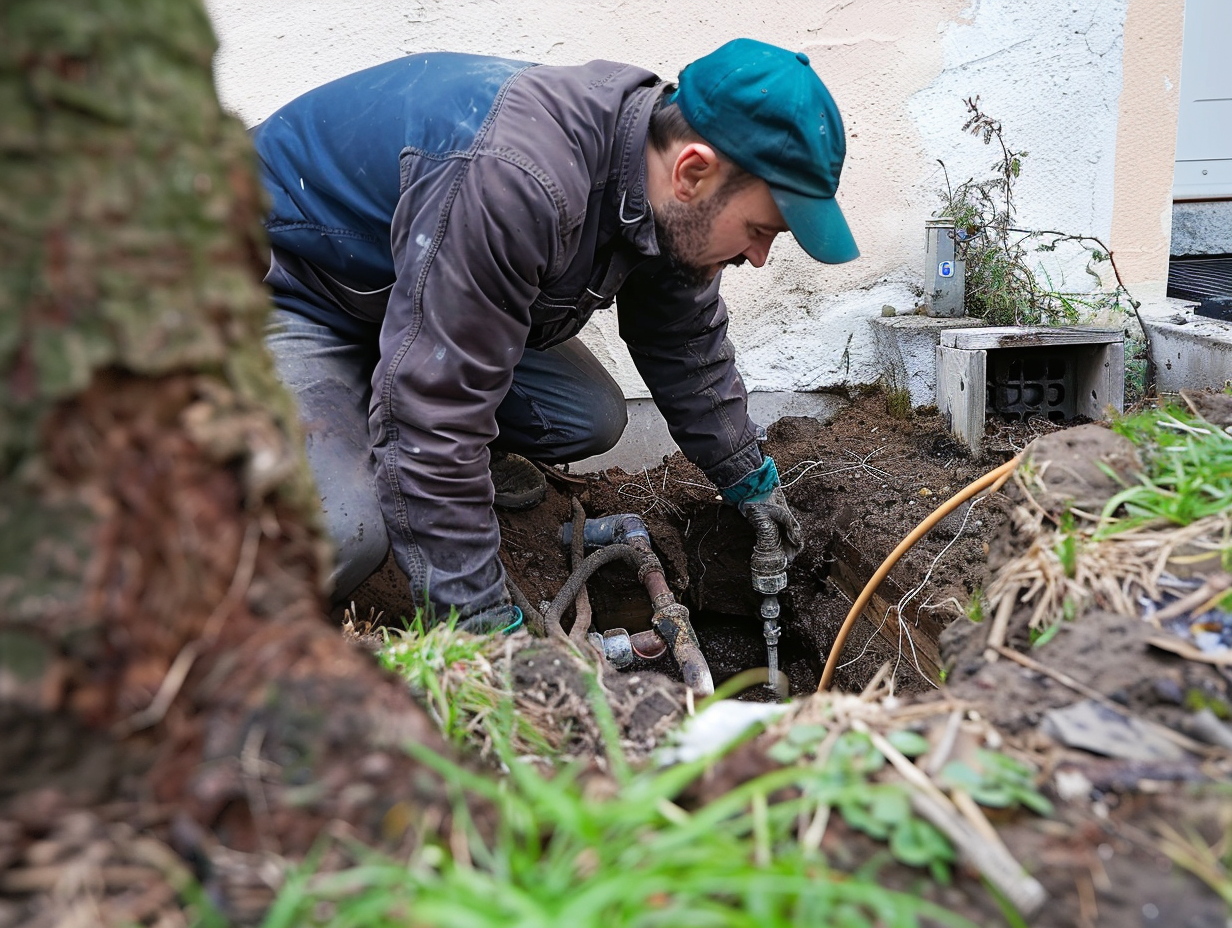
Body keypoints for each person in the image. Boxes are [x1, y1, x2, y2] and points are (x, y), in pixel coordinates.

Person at [253, 37, 858, 632]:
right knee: (343, 532)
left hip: (415, 304)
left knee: (588, 416)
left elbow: (684, 338)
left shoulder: (658, 186)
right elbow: (432, 417)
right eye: (760, 229)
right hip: (295, 289)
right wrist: (484, 625)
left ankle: (371, 412)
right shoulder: (517, 179)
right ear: (693, 170)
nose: (758, 257)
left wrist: (745, 475)